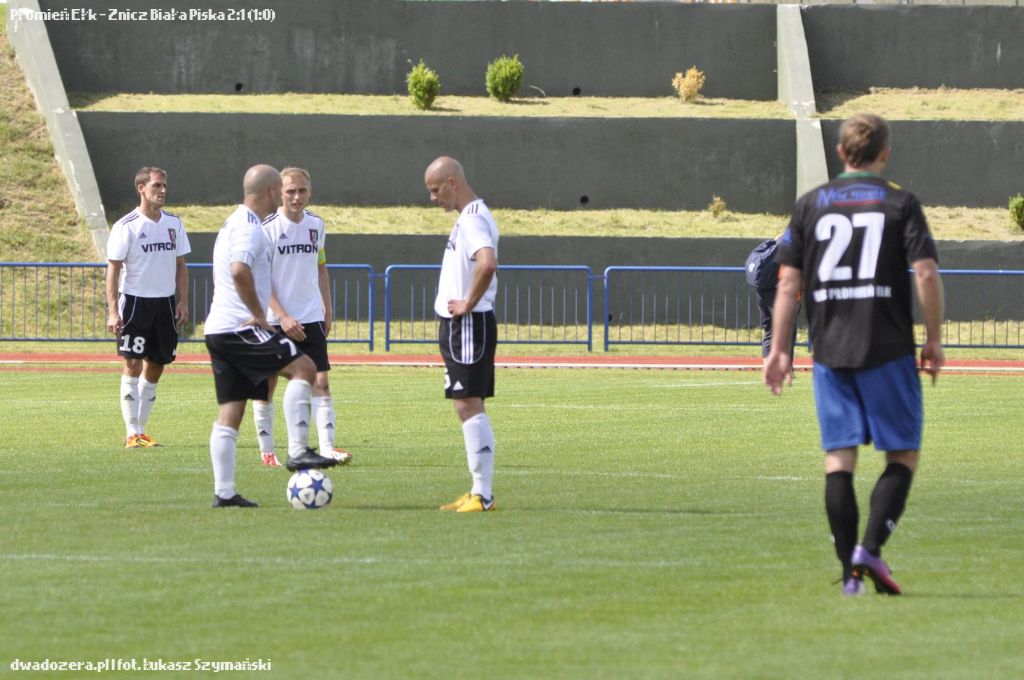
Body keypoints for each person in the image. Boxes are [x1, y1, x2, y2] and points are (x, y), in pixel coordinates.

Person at [764, 114, 945, 596]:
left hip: (830, 350)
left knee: (839, 460)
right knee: (902, 453)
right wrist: (933, 338)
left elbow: (788, 284)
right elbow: (926, 273)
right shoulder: (900, 202)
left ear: (842, 153)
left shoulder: (809, 205)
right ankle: (870, 549)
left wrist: (778, 350)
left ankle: (850, 576)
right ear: (885, 154)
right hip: (887, 347)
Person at [203, 164, 337, 508]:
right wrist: (260, 314)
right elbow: (239, 270)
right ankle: (297, 451)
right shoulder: (250, 228)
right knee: (305, 369)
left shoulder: (233, 221)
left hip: (219, 329)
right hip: (239, 328)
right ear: (271, 192)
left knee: (231, 411)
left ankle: (225, 493)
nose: (286, 195)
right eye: (282, 189)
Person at [252, 167, 352, 467]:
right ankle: (268, 452)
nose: (297, 197)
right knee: (267, 384)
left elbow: (320, 266)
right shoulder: (266, 229)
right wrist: (283, 316)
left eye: (302, 191)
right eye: (291, 191)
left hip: (310, 317)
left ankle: (327, 448)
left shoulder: (316, 225)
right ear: (278, 193)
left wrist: (327, 309)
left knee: (321, 381)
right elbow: (261, 279)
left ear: (310, 192)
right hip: (274, 321)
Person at [425, 156, 499, 513]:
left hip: (467, 325)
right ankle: (477, 491)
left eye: (435, 189)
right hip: (459, 325)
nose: (433, 197)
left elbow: (487, 262)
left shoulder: (472, 220)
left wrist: (468, 302)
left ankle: (483, 494)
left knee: (468, 402)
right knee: (465, 403)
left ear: (452, 182)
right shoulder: (470, 216)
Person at [105, 167, 190, 449]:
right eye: (156, 185)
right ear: (141, 188)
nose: (162, 190)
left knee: (157, 365)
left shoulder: (174, 223)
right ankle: (131, 433)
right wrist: (113, 311)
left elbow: (181, 265)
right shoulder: (126, 225)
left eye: (164, 185)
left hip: (164, 303)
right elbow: (113, 270)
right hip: (135, 302)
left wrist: (183, 300)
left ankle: (141, 431)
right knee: (132, 363)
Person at [745, 234, 798, 372]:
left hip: (763, 289)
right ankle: (785, 369)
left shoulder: (777, 244)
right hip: (777, 292)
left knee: (769, 330)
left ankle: (768, 368)